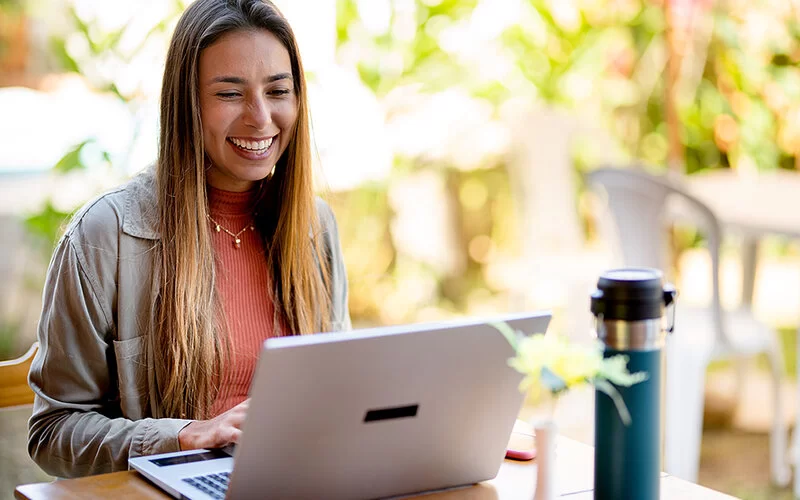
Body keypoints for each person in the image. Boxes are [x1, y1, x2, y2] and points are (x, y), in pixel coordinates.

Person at [27, 0, 350, 478]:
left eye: (278, 90)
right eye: (230, 94)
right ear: (187, 103)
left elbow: (342, 387)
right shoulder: (104, 237)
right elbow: (52, 432)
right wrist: (182, 436)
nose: (261, 118)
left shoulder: (314, 227)